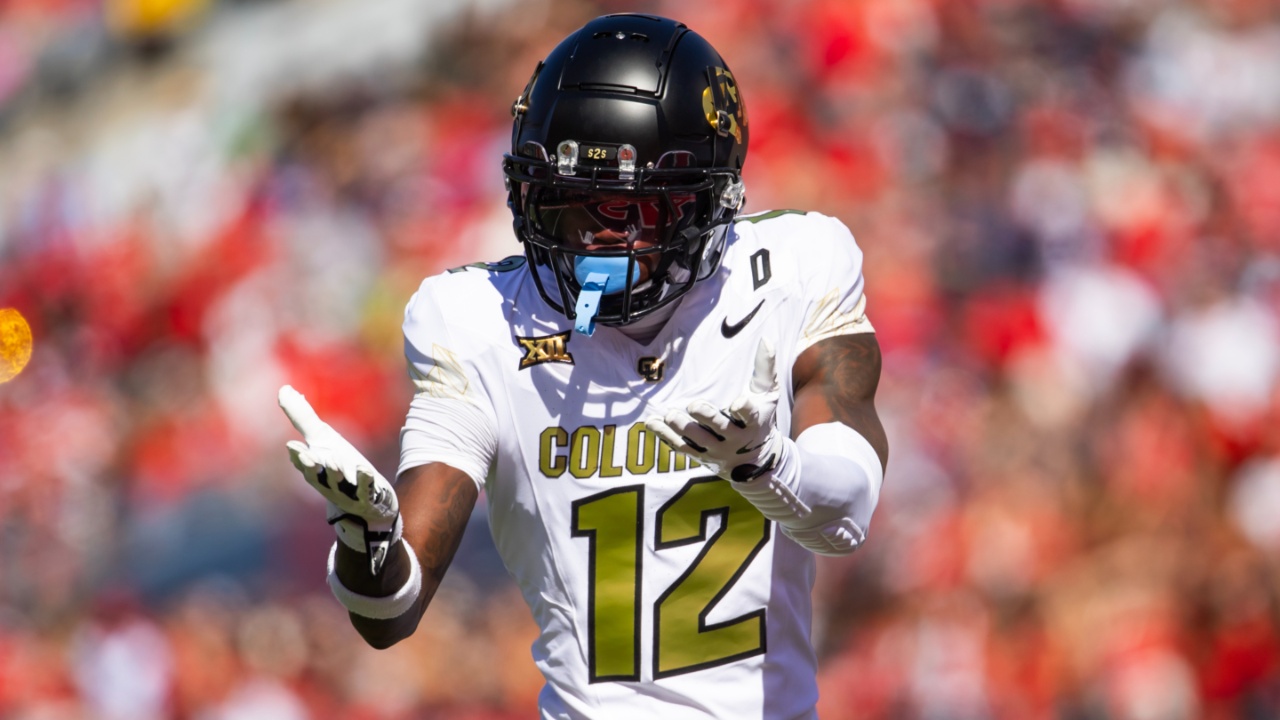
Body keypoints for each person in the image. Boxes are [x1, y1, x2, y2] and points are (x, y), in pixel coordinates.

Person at [279, 12, 889, 719]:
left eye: (634, 210)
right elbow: (391, 613)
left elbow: (846, 515)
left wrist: (766, 464)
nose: (601, 237)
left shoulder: (793, 271)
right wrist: (367, 542)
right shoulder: (480, 321)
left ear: (707, 200)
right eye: (573, 204)